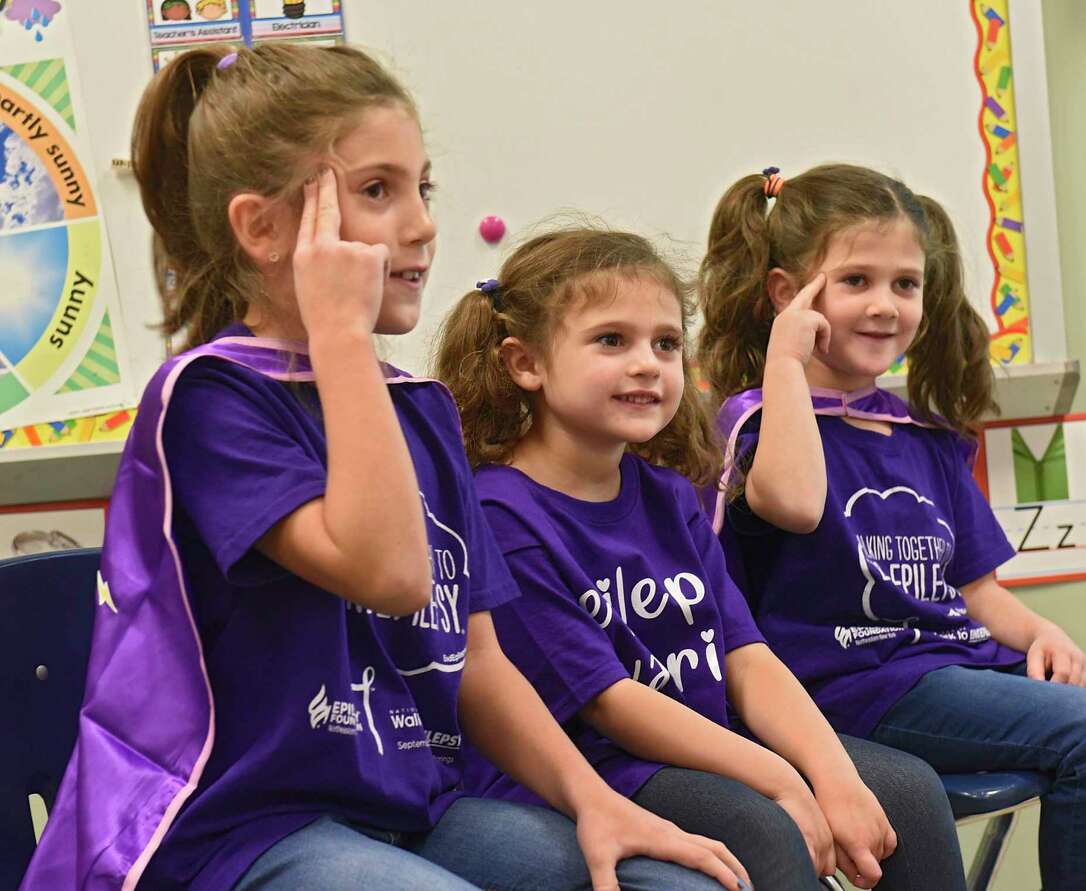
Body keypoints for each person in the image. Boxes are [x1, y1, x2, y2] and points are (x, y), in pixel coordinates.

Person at [21, 44, 751, 891]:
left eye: (423, 187)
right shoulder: (212, 401)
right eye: (377, 191)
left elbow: (477, 661)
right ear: (261, 229)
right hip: (241, 832)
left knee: (681, 884)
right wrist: (337, 334)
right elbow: (394, 573)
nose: (422, 223)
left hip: (411, 807)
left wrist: (593, 798)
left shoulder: (420, 410)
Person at [698, 163, 1086, 891]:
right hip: (855, 685)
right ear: (789, 295)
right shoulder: (759, 422)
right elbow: (797, 504)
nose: (886, 305)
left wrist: (1039, 633)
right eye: (855, 281)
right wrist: (786, 359)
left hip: (953, 661)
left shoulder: (922, 433)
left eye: (906, 284)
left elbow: (976, 587)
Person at [434, 226, 968, 891]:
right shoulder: (501, 513)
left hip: (704, 742)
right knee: (764, 821)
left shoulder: (667, 496)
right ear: (526, 363)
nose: (646, 363)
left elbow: (746, 657)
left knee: (909, 791)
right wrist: (780, 777)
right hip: (596, 766)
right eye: (611, 340)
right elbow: (610, 703)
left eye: (665, 343)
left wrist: (829, 770)